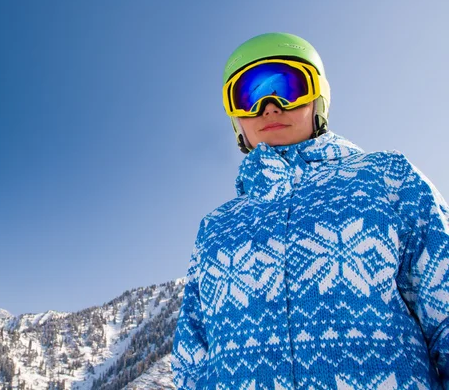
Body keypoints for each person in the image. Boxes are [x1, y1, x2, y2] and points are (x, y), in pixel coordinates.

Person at [171, 32, 449, 389]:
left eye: (288, 88)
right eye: (249, 96)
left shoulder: (386, 178)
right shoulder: (216, 226)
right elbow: (192, 356)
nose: (269, 107)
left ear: (317, 98)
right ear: (235, 118)